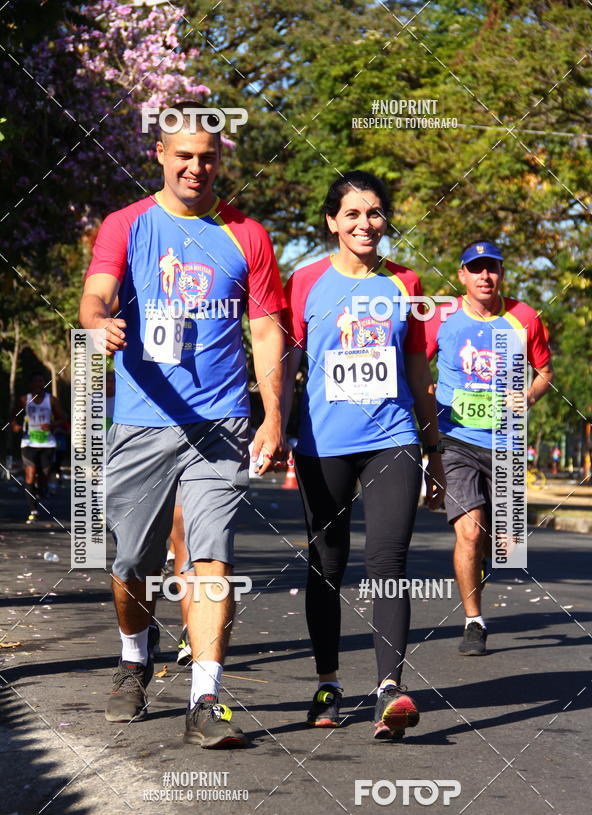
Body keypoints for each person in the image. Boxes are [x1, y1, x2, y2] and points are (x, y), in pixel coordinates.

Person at [79, 101, 286, 748]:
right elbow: (97, 291)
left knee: (209, 560)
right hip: (142, 420)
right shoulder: (127, 224)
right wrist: (97, 323)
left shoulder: (247, 234)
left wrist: (273, 414)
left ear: (220, 160)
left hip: (219, 422)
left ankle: (205, 698)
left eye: (209, 157)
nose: (197, 167)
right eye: (185, 156)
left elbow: (265, 329)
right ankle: (134, 658)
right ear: (161, 157)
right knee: (131, 560)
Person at [283, 171, 445, 741]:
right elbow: (285, 362)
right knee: (327, 564)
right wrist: (276, 428)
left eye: (374, 213)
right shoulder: (303, 282)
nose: (364, 224)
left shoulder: (408, 284)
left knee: (388, 561)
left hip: (393, 438)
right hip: (323, 442)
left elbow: (419, 368)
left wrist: (434, 447)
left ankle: (389, 691)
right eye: (352, 214)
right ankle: (327, 682)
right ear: (332, 222)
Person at [424, 240, 553, 655]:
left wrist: (528, 396)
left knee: (505, 545)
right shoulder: (441, 320)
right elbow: (413, 364)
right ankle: (473, 621)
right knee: (469, 530)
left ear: (501, 273)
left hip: (507, 442)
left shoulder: (524, 318)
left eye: (492, 268)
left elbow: (545, 371)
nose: (485, 276)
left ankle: (482, 562)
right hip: (457, 439)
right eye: (475, 268)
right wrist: (429, 399)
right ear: (461, 275)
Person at [11, 372, 66, 522]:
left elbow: (63, 418)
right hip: (29, 442)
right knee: (30, 474)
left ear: (44, 384)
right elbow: (13, 417)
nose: (38, 384)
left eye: (41, 381)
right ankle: (33, 510)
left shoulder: (51, 401)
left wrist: (52, 425)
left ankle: (39, 492)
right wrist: (15, 425)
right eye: (35, 381)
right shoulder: (24, 400)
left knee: (44, 477)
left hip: (47, 443)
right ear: (31, 385)